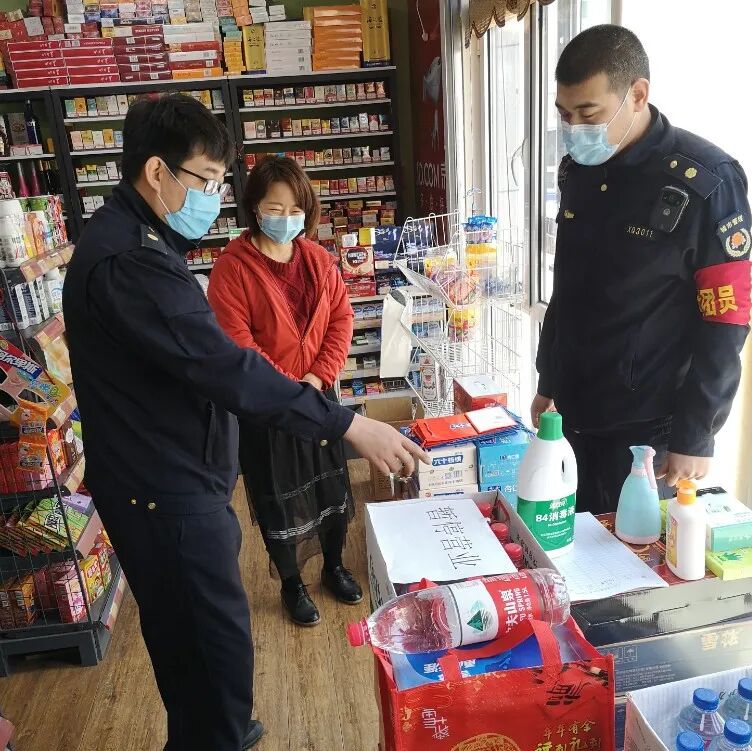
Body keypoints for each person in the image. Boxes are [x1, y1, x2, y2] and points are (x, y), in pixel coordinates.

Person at [62, 94, 427, 751]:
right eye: (206, 179)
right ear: (157, 172)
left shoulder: (139, 238)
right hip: (164, 491)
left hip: (174, 477)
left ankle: (216, 725)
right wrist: (346, 423)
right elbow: (228, 365)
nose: (214, 195)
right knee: (211, 645)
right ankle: (217, 734)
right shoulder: (131, 263)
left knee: (198, 646)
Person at [532, 25, 751, 515]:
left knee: (634, 554)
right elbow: (567, 289)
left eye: (589, 113)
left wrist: (697, 433)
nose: (575, 128)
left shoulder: (705, 183)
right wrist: (549, 381)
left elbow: (726, 320)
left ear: (637, 94)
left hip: (647, 431)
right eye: (565, 114)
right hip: (573, 413)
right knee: (562, 544)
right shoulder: (579, 171)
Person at [208, 156, 360, 627]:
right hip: (266, 408)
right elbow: (241, 348)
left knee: (331, 486)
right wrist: (289, 390)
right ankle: (292, 584)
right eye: (275, 208)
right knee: (279, 497)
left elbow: (341, 319)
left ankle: (334, 566)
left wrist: (317, 378)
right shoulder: (232, 270)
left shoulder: (317, 259)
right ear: (255, 207)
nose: (286, 218)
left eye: (296, 210)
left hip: (318, 397)